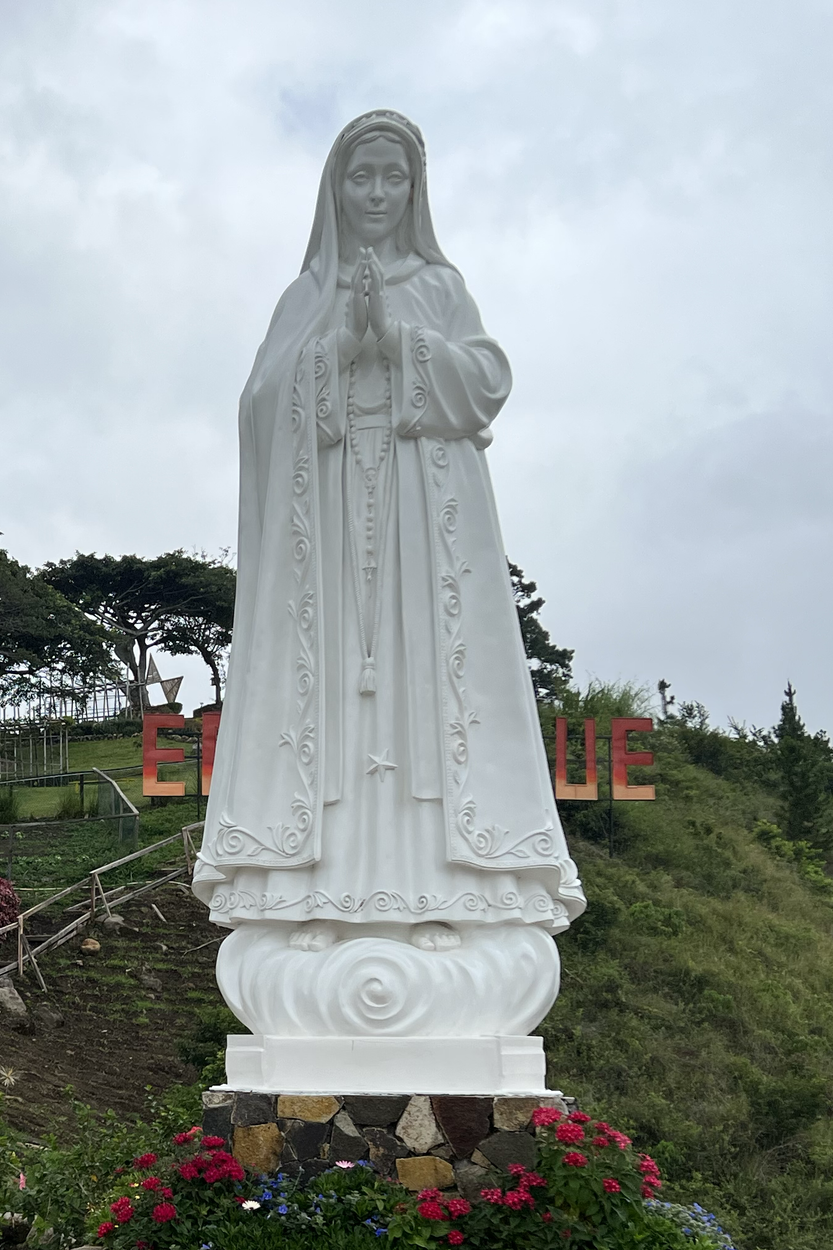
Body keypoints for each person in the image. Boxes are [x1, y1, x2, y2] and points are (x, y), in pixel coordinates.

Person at [196, 111, 582, 1061]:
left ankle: (444, 903)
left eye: (393, 179)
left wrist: (401, 338)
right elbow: (258, 404)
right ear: (336, 190)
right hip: (327, 540)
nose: (376, 194)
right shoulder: (305, 297)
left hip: (420, 527)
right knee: (331, 713)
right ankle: (312, 900)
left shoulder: (440, 287)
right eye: (361, 178)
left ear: (416, 191)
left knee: (426, 708)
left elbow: (486, 382)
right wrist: (335, 351)